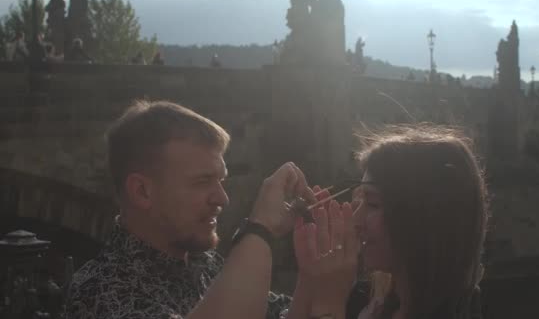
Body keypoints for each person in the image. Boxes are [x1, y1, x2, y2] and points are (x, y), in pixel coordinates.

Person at [64, 100, 358, 319]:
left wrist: (310, 277)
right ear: (142, 191)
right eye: (202, 182)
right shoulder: (99, 292)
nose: (222, 198)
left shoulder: (206, 265)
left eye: (221, 180)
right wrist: (260, 230)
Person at [343, 125, 489, 319]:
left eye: (372, 204)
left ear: (422, 217)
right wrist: (310, 281)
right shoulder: (371, 304)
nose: (356, 220)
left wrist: (326, 305)